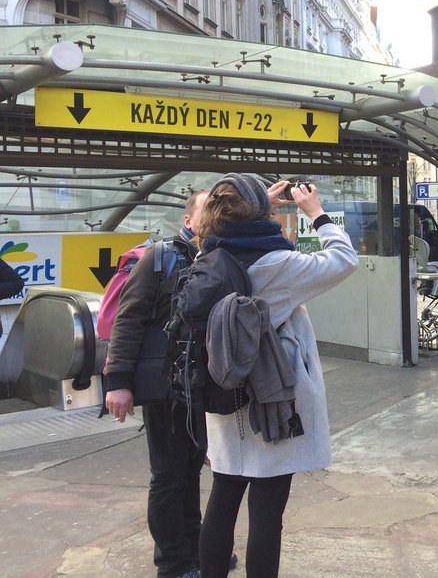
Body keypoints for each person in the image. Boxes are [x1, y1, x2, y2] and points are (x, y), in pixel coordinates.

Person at [196, 173, 358, 577]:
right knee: (267, 514)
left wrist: (258, 207)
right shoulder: (278, 264)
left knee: (222, 499)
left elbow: (225, 227)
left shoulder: (207, 257)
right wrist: (316, 213)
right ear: (258, 216)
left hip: (223, 395)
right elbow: (342, 259)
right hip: (272, 401)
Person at [104, 190, 209, 578]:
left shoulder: (214, 259)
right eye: (207, 211)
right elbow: (127, 320)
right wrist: (118, 382)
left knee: (191, 470)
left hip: (199, 385)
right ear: (188, 221)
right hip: (164, 384)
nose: (215, 217)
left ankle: (196, 550)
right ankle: (174, 564)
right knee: (168, 475)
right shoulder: (161, 258)